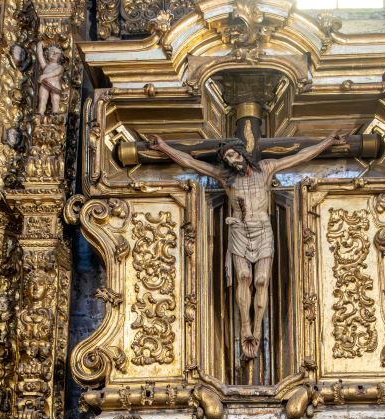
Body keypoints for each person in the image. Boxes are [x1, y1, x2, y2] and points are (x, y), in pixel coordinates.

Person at [147, 133, 347, 360]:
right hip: (239, 231)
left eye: (233, 154)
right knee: (243, 277)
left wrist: (328, 141)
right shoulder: (225, 177)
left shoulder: (266, 168)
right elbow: (191, 162)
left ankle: (258, 329)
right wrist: (164, 146)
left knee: (261, 281)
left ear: (242, 152)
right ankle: (245, 327)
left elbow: (300, 157)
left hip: (262, 230)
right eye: (227, 158)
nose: (232, 160)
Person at [35, 42, 65, 116]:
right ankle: (40, 112)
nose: (54, 54)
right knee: (42, 98)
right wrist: (39, 45)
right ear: (47, 53)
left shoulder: (59, 67)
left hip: (55, 85)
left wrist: (44, 76)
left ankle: (55, 112)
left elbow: (55, 73)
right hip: (45, 84)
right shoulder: (45, 66)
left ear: (60, 56)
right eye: (52, 52)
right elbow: (40, 56)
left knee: (55, 99)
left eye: (57, 53)